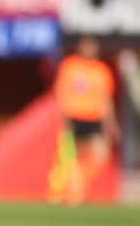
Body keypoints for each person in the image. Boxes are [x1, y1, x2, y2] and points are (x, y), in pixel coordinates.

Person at [48, 36, 120, 205]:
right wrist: (64, 118)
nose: (89, 50)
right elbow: (61, 94)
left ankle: (77, 188)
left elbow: (106, 99)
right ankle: (60, 194)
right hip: (74, 118)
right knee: (69, 159)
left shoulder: (101, 70)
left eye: (92, 46)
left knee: (101, 156)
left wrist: (110, 122)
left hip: (94, 119)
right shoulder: (70, 66)